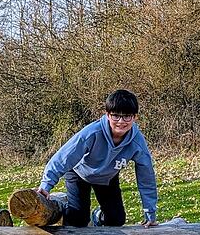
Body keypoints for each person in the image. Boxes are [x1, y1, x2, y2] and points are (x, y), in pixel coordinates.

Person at [36, 89, 158, 227]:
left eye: (127, 116)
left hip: (107, 178)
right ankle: (61, 206)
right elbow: (63, 157)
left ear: (135, 117)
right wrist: (46, 185)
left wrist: (150, 213)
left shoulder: (137, 143)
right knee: (78, 219)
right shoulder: (92, 133)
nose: (121, 121)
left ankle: (98, 216)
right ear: (107, 115)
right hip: (79, 173)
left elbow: (146, 177)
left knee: (116, 220)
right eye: (116, 116)